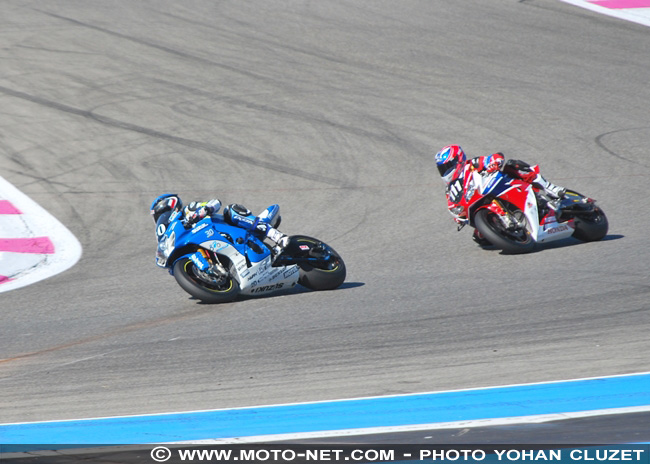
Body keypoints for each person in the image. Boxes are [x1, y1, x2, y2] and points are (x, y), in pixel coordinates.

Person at [434, 145, 566, 244]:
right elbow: (453, 204)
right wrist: (458, 216)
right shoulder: (450, 189)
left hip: (503, 185)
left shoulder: (472, 164)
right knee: (480, 239)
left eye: (448, 166)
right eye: (443, 169)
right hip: (478, 203)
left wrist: (494, 163)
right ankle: (508, 230)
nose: (446, 171)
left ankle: (550, 188)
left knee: (513, 165)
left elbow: (496, 157)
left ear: (458, 160)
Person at [149, 193, 289, 255]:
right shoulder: (171, 234)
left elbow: (216, 202)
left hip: (230, 229)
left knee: (231, 210)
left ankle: (278, 237)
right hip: (212, 244)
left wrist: (204, 210)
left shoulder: (189, 209)